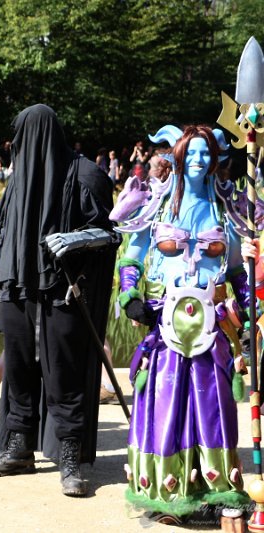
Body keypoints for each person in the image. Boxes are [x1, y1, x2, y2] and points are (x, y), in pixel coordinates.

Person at [0, 105, 117, 498]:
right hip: (16, 286)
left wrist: (75, 239)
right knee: (19, 369)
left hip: (63, 289)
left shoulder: (85, 174)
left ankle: (71, 458)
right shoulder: (17, 180)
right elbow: (4, 238)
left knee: (63, 373)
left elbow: (109, 233)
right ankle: (19, 449)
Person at [112, 124, 249, 524]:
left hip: (213, 322)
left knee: (213, 402)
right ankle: (167, 491)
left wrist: (250, 311)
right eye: (191, 152)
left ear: (215, 159)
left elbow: (237, 270)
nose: (198, 160)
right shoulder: (156, 206)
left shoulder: (225, 209)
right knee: (166, 401)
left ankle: (217, 488)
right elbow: (132, 257)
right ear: (177, 155)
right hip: (166, 321)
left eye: (205, 153)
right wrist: (130, 297)